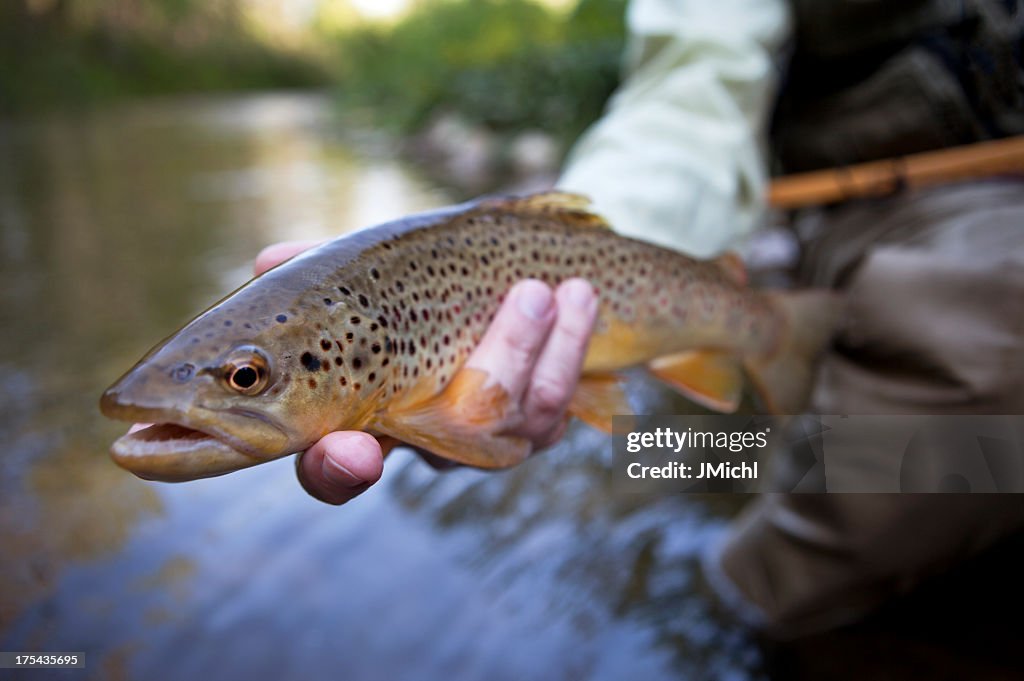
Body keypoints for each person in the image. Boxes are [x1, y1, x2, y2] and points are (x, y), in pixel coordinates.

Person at [257, 0, 1024, 639]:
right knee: (954, 373)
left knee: (700, 449)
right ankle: (746, 605)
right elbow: (691, 96)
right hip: (906, 210)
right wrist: (572, 250)